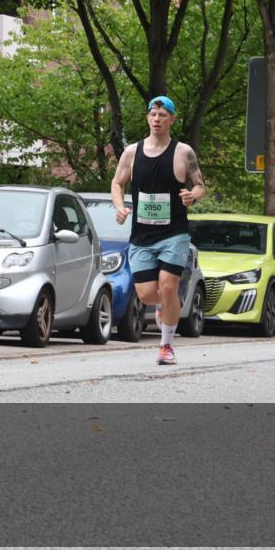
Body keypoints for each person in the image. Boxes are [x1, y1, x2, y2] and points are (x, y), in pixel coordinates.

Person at [111, 96, 206, 365]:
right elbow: (117, 183)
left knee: (168, 286)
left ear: (172, 120)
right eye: (153, 114)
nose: (157, 119)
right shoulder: (132, 152)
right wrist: (120, 207)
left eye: (163, 115)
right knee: (147, 294)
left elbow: (200, 185)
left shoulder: (183, 152)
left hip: (174, 233)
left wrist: (193, 196)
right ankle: (165, 305)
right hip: (142, 235)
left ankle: (166, 346)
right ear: (147, 118)